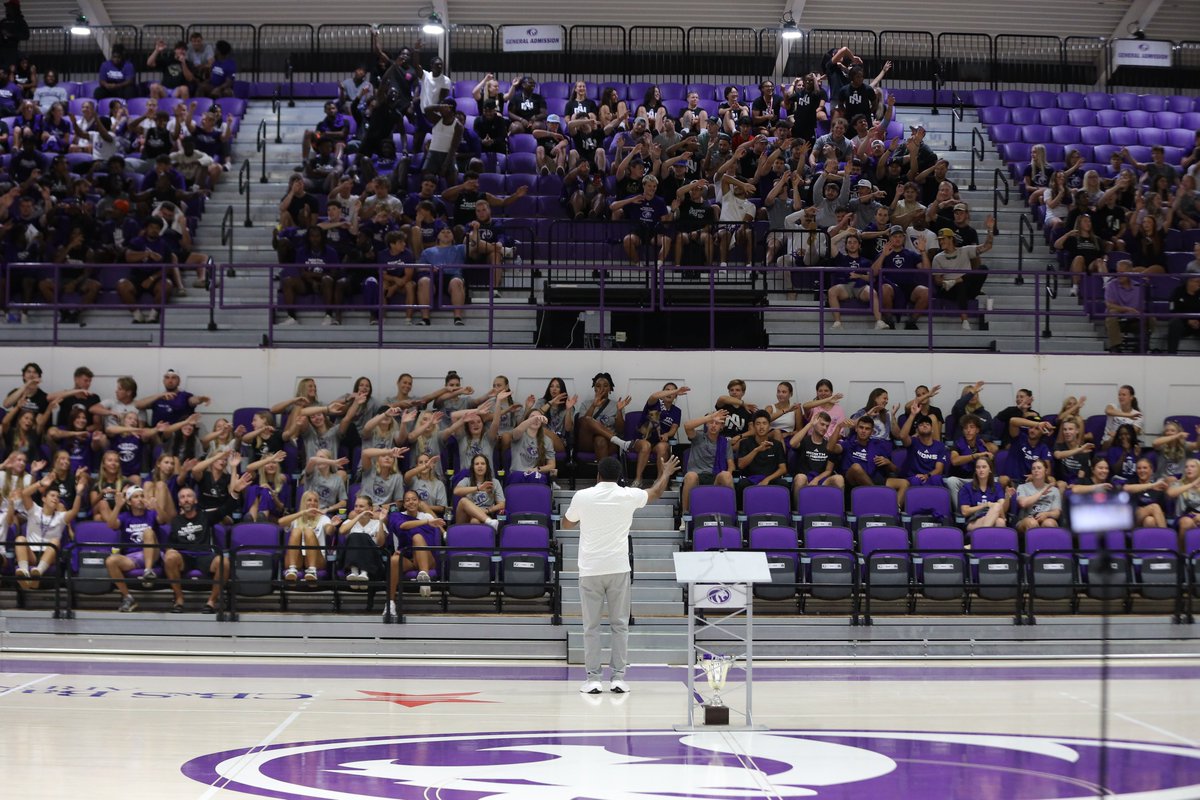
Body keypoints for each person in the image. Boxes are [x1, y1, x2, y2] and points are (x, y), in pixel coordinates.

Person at [564, 454, 680, 694]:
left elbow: (566, 523)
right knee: (620, 625)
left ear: (598, 475)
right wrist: (666, 472)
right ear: (620, 477)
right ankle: (618, 677)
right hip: (618, 568)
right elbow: (655, 492)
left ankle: (593, 679)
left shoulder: (582, 496)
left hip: (590, 569)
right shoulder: (628, 495)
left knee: (591, 627)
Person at [1014, 460, 1061, 538]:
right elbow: (1023, 503)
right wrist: (1042, 492)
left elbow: (1057, 513)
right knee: (1031, 523)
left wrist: (1047, 514)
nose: (1036, 470)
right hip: (1026, 519)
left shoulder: (1054, 490)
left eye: (1039, 468)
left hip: (1045, 518)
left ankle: (1050, 549)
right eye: (1033, 468)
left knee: (1050, 523)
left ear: (1045, 471)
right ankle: (1033, 549)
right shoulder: (1022, 487)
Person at [1167, 274, 1200, 354]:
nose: (1199, 284)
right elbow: (1173, 310)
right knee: (1174, 323)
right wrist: (1187, 320)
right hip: (1183, 324)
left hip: (1198, 323)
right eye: (1197, 282)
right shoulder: (1178, 292)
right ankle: (1171, 355)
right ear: (1189, 282)